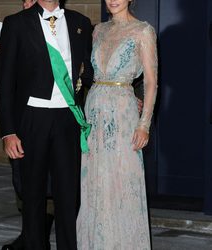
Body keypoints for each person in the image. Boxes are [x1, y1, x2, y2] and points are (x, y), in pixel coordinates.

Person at [0, 0, 93, 249]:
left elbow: (89, 71)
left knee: (68, 197)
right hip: (32, 119)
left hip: (66, 120)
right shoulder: (16, 23)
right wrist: (8, 131)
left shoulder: (80, 23)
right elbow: (5, 84)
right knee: (32, 196)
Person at [77, 0, 158, 249]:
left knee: (121, 179)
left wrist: (144, 124)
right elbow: (91, 73)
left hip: (123, 116)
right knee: (94, 179)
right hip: (94, 111)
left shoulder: (143, 31)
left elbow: (151, 82)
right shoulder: (98, 30)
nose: (113, 0)